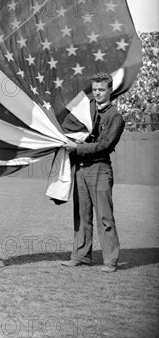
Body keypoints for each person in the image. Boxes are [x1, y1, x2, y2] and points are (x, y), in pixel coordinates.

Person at [62, 72, 125, 273]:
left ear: (110, 90)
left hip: (99, 168)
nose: (97, 93)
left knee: (105, 217)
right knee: (81, 215)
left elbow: (105, 146)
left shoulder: (114, 116)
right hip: (81, 168)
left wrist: (77, 148)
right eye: (95, 89)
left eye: (101, 89)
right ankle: (80, 256)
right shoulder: (86, 111)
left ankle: (110, 261)